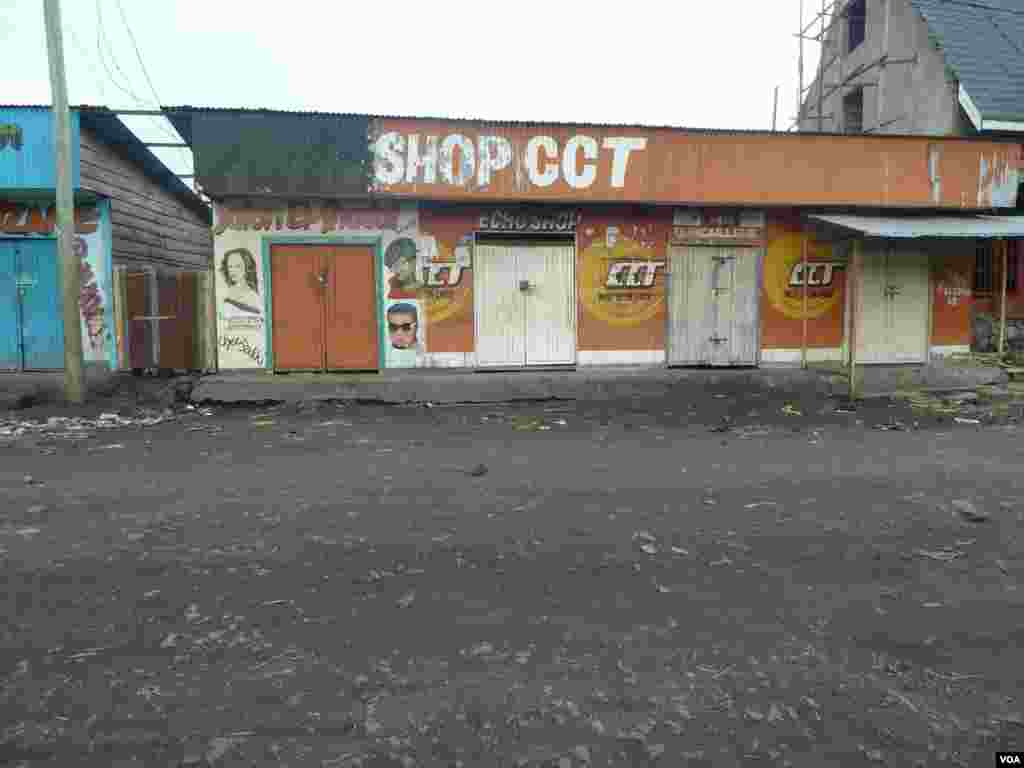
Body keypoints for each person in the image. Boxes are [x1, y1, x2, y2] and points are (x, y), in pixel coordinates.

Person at [220, 248, 262, 316]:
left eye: (237, 266)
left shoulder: (253, 296)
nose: (233, 270)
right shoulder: (227, 292)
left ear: (247, 267)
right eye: (230, 266)